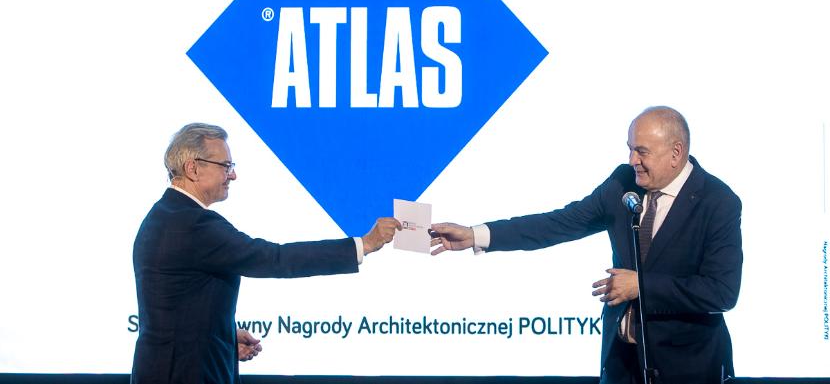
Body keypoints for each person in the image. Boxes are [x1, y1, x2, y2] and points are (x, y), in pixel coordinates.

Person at [431, 106, 742, 384]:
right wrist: (475, 235)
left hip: (686, 368)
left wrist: (641, 286)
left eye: (642, 152)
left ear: (676, 153)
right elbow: (559, 223)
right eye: (630, 149)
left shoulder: (718, 202)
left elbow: (721, 292)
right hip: (621, 366)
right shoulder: (623, 182)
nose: (632, 161)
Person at [131, 123, 401, 384]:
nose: (233, 175)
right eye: (226, 166)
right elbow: (275, 259)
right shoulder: (194, 224)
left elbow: (175, 308)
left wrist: (223, 336)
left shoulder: (163, 214)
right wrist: (364, 244)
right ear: (193, 168)